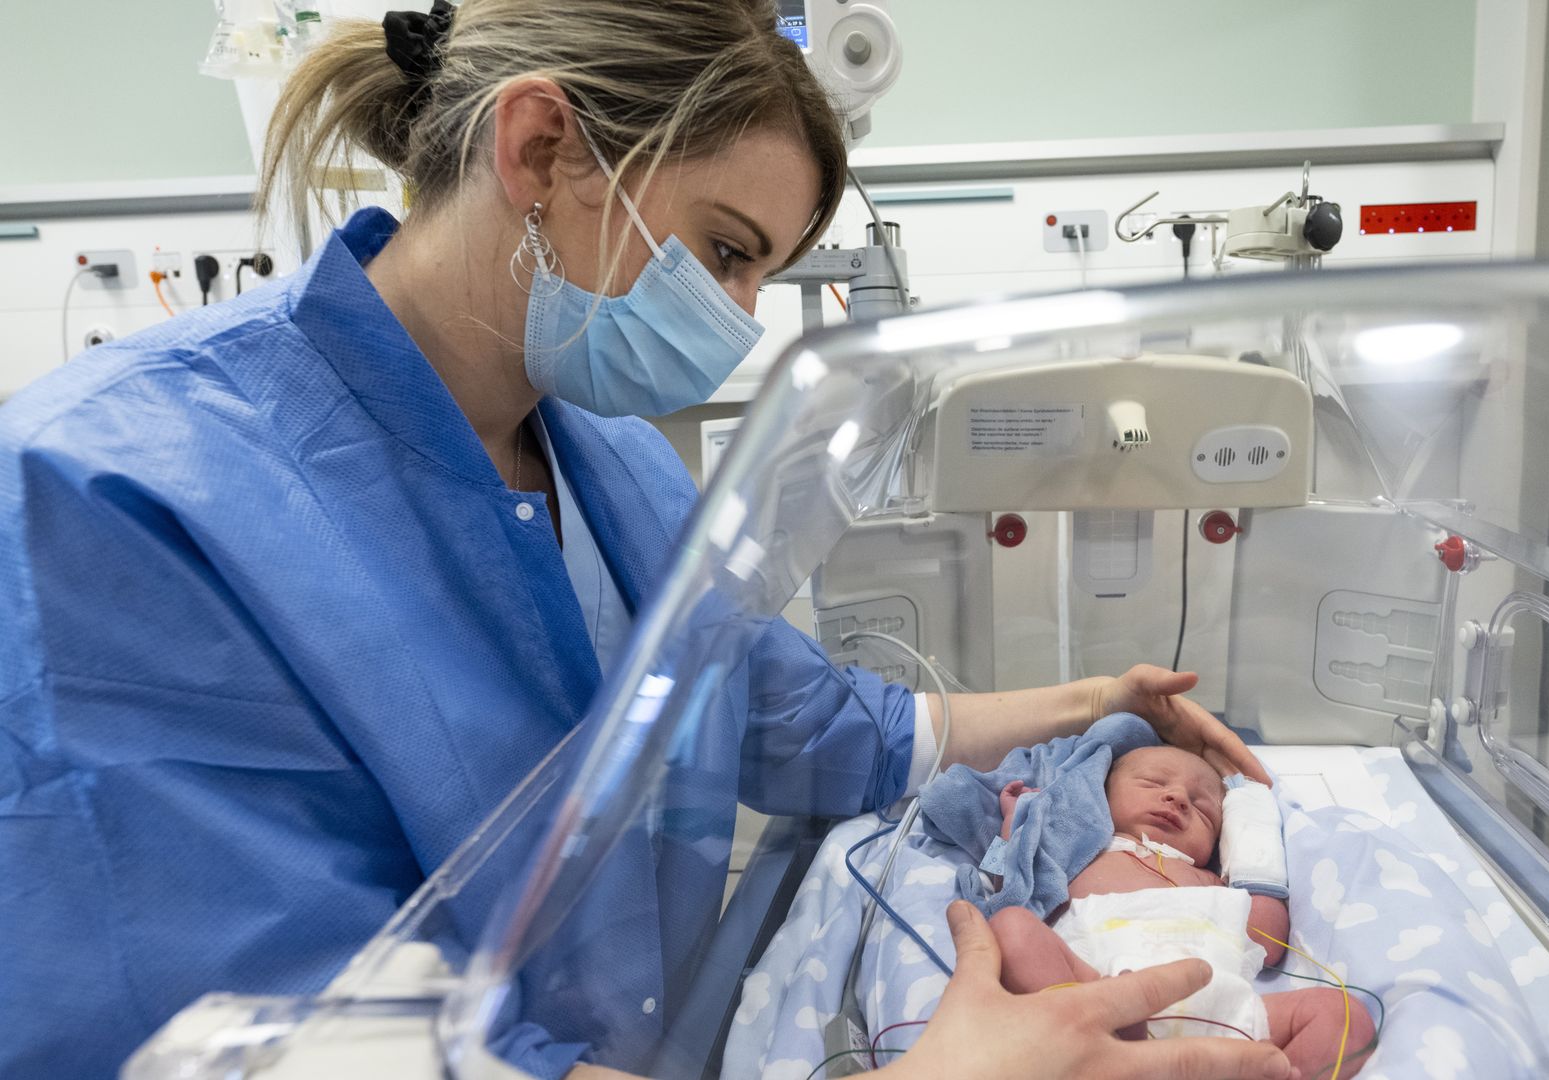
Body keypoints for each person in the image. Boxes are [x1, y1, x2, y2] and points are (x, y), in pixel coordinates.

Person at [0, 1, 1278, 1077]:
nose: (738, 317)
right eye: (723, 251)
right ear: (541, 147)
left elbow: (808, 725)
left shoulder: (613, 461)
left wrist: (1101, 704)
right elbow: (258, 1036)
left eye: (762, 274)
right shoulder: (109, 497)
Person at [986, 746, 1377, 1080]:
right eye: (1153, 783)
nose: (1178, 798)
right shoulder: (1082, 856)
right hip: (1097, 1000)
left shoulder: (1211, 881)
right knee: (1011, 926)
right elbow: (1014, 886)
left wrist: (1256, 858)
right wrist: (1018, 826)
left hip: (1218, 1011)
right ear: (1099, 795)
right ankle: (1081, 1043)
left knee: (1345, 1017)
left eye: (1204, 809)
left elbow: (1267, 941)